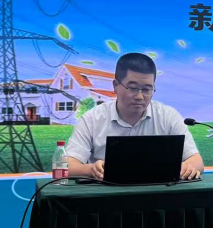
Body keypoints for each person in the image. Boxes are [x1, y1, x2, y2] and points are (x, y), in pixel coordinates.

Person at [66, 52, 204, 180]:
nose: (139, 96)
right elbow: (66, 166)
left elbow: (197, 162)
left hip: (158, 193)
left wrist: (187, 167)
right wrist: (91, 170)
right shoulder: (91, 119)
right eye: (132, 88)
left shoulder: (168, 117)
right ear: (115, 85)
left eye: (147, 89)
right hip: (105, 194)